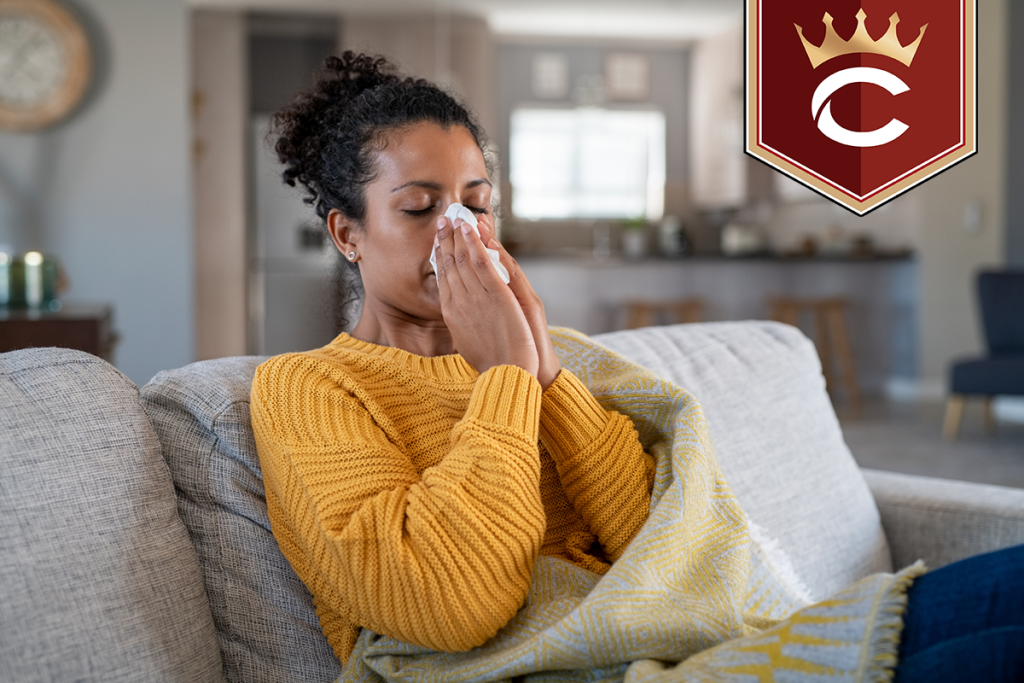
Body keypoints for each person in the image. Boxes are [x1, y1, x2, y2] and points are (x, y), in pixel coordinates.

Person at [250, 51, 1024, 682]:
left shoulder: (557, 362)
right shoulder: (310, 389)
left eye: (477, 204)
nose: (460, 230)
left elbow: (665, 545)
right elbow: (451, 604)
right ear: (348, 233)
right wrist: (508, 381)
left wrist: (545, 371)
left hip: (690, 640)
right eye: (420, 209)